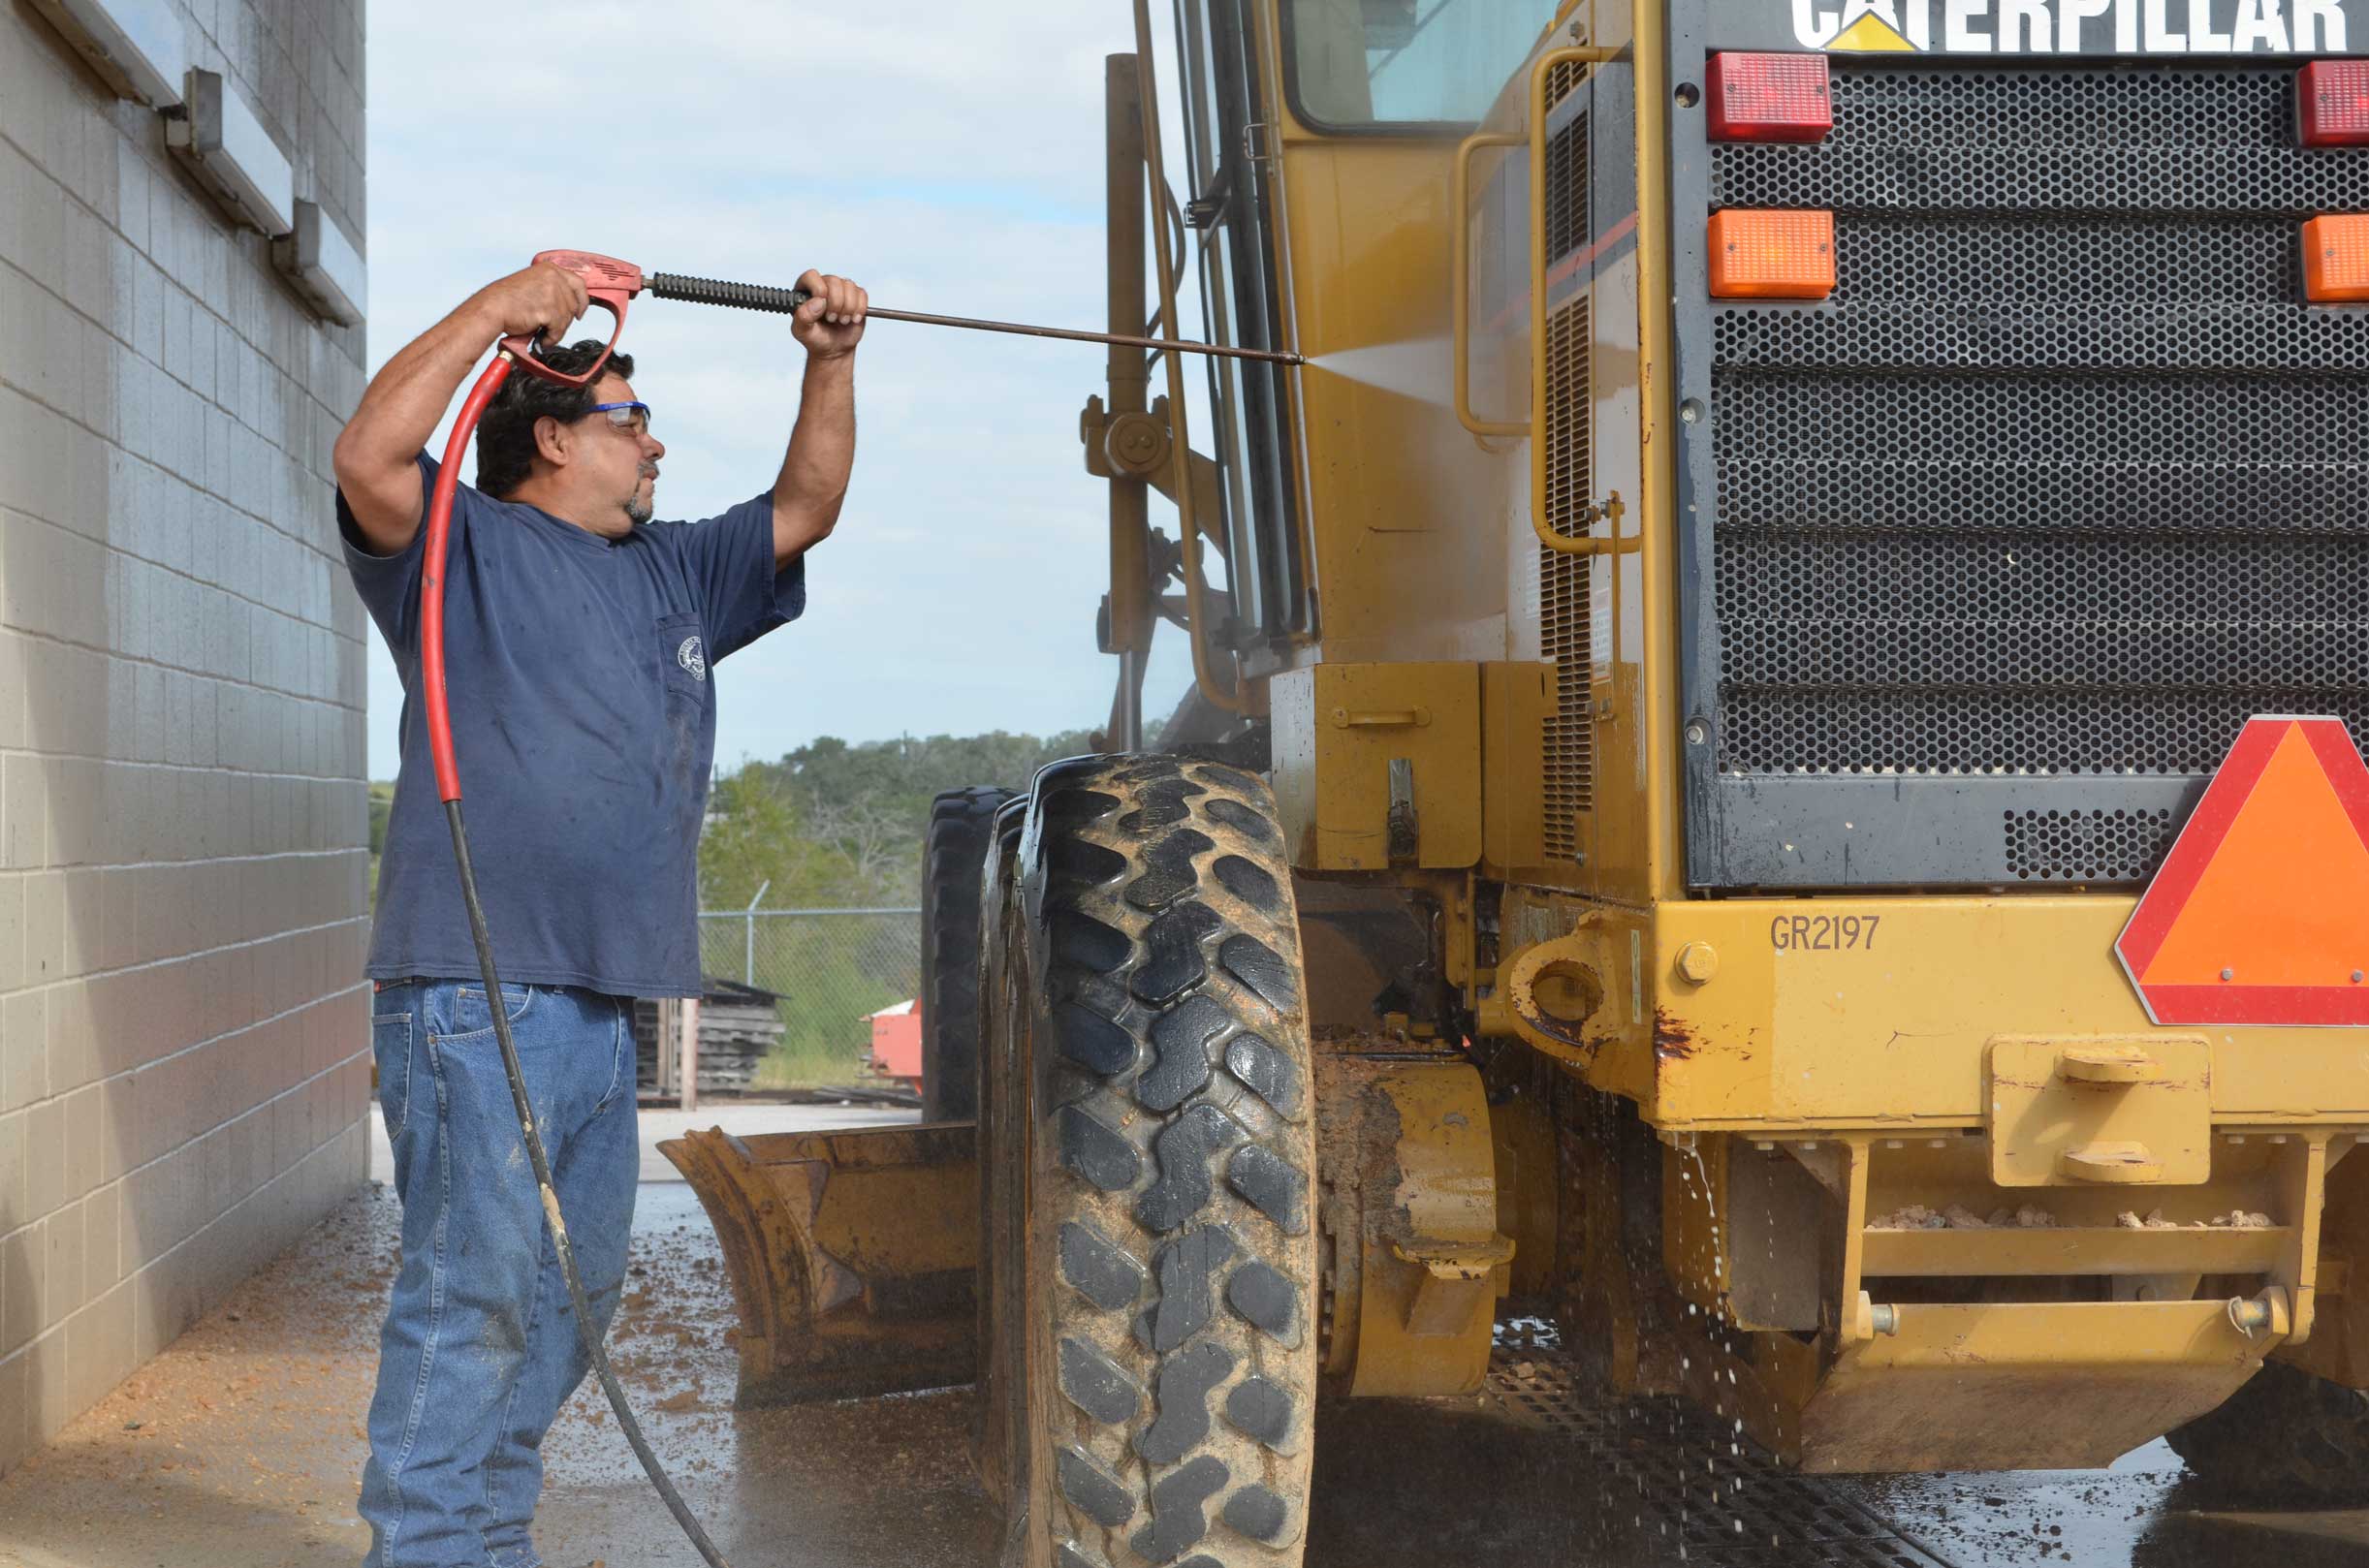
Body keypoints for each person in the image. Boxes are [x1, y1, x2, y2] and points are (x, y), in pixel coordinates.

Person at [332, 259, 868, 1568]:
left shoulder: (673, 572)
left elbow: (806, 505)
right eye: (632, 419)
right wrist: (500, 307)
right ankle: (428, 1547)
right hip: (478, 994)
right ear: (556, 437)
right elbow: (366, 454)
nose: (655, 442)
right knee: (472, 1296)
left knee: (573, 1297)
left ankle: (480, 1538)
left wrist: (831, 360)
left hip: (599, 1003)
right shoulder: (458, 547)